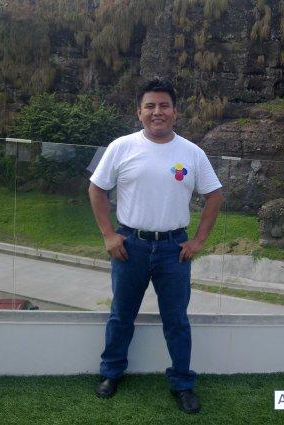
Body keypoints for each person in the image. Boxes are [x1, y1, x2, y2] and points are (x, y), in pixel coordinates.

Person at [88, 77, 223, 414]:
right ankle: (111, 373)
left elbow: (215, 196)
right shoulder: (121, 146)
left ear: (175, 112)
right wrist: (108, 235)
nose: (157, 111)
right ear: (139, 112)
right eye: (150, 106)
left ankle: (182, 384)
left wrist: (198, 240)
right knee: (121, 315)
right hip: (129, 246)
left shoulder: (192, 153)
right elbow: (96, 189)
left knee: (176, 320)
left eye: (164, 105)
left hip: (174, 250)